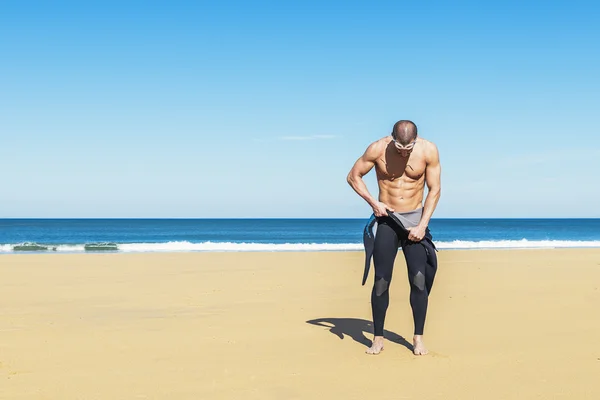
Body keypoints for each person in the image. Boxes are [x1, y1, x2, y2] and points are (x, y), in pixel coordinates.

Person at [346, 120, 442, 356]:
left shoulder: (428, 150)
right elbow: (353, 176)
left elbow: (435, 189)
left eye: (408, 148)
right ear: (391, 138)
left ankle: (418, 338)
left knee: (419, 280)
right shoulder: (378, 149)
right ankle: (378, 338)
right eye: (399, 147)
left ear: (416, 141)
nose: (403, 152)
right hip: (387, 219)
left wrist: (422, 225)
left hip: (414, 222)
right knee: (381, 281)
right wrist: (373, 202)